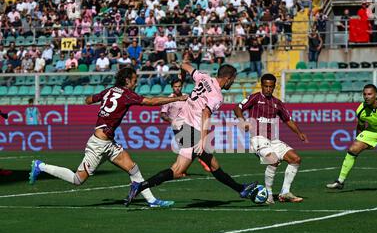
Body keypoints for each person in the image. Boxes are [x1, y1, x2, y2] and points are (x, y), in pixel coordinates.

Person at [29, 67, 188, 208]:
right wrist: (177, 98)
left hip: (108, 142)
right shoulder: (127, 94)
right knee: (77, 180)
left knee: (133, 168)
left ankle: (152, 201)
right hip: (98, 144)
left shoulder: (109, 90)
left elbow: (88, 100)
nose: (136, 83)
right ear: (127, 80)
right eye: (134, 80)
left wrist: (100, 105)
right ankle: (40, 166)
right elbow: (151, 101)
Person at [125, 63, 258, 206]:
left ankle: (241, 189)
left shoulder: (203, 77)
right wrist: (202, 140)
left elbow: (184, 65)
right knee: (178, 170)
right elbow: (206, 113)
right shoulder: (217, 96)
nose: (232, 83)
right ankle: (140, 186)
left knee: (213, 165)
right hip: (188, 128)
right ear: (228, 78)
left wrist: (181, 75)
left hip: (181, 124)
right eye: (233, 80)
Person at [234, 74, 309, 204]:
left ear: (274, 87)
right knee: (273, 160)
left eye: (271, 87)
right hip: (257, 138)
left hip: (273, 140)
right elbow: (237, 108)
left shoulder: (277, 103)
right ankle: (268, 194)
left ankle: (285, 192)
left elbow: (288, 120)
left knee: (296, 159)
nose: (268, 89)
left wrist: (299, 133)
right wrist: (242, 121)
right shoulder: (255, 98)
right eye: (266, 86)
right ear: (261, 85)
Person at [160, 78, 211, 173]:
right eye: (175, 86)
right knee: (188, 147)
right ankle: (198, 160)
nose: (177, 88)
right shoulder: (169, 99)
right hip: (177, 126)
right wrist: (171, 120)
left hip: (188, 124)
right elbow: (162, 114)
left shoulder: (186, 97)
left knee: (187, 148)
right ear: (172, 87)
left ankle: (181, 170)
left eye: (179, 86)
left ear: (182, 87)